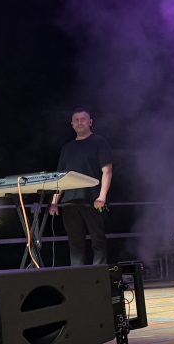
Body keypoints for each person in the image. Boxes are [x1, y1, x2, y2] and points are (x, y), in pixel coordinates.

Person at [48, 109, 113, 265]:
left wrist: (102, 196)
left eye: (83, 119)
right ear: (72, 124)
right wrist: (54, 202)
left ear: (90, 122)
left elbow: (107, 171)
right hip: (69, 202)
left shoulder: (99, 142)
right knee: (75, 243)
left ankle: (98, 274)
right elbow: (60, 178)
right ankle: (78, 275)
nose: (79, 122)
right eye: (76, 120)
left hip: (93, 200)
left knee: (98, 241)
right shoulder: (67, 148)